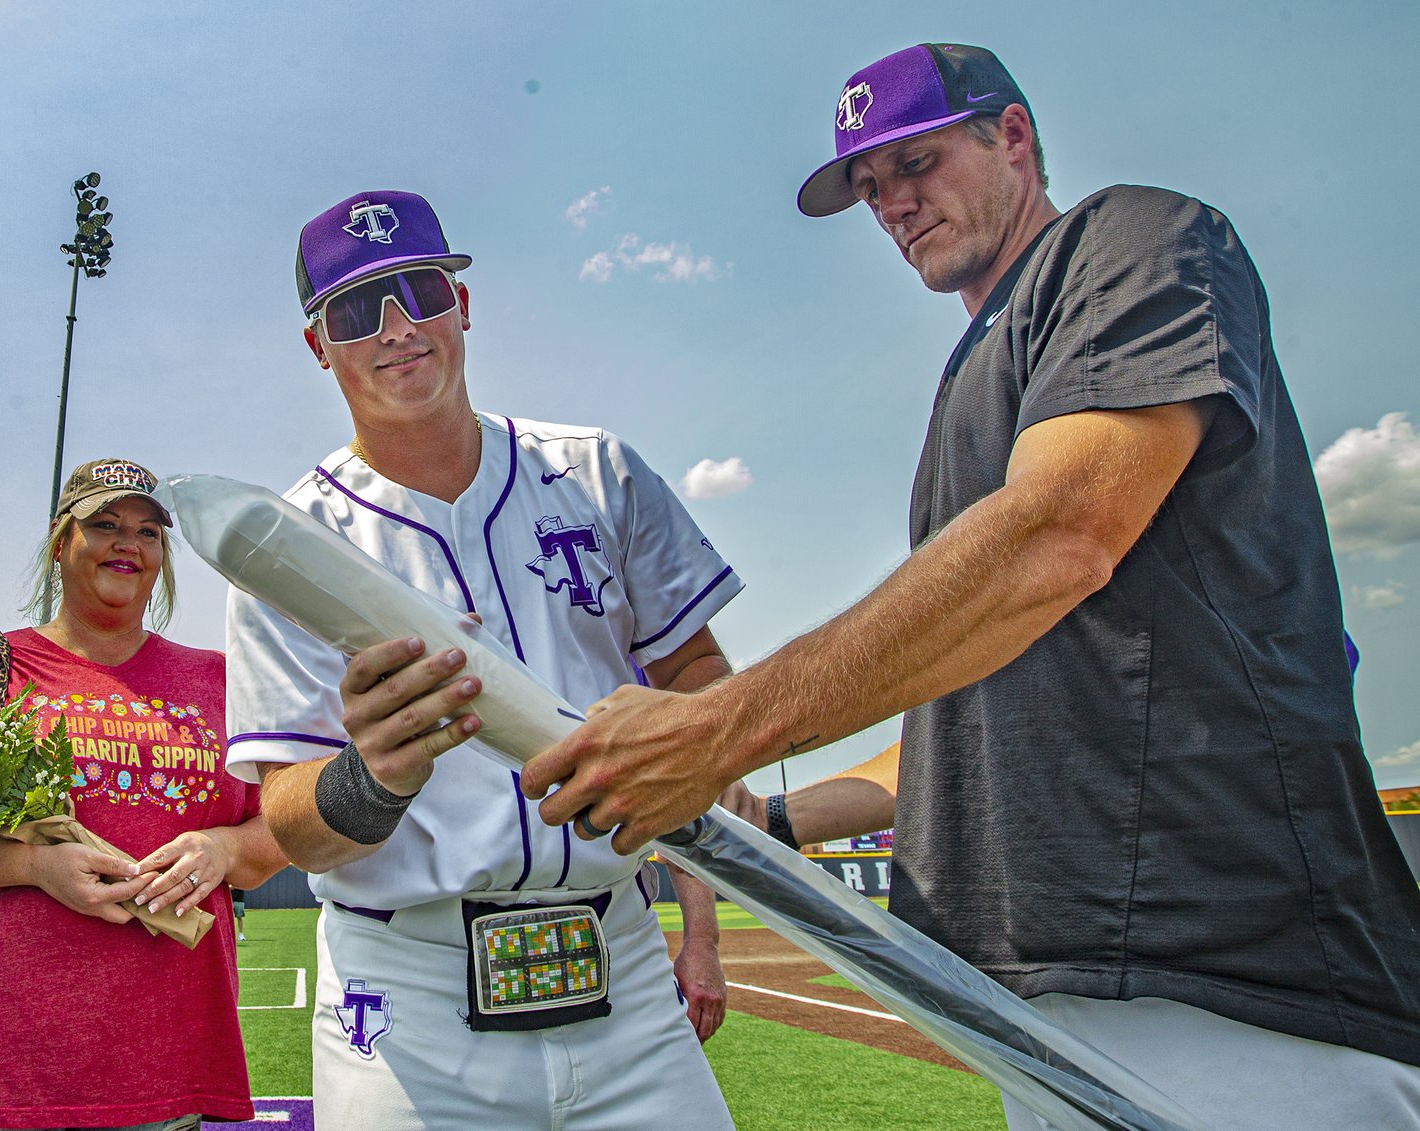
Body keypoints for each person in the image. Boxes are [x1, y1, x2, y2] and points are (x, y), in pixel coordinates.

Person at [520, 43, 1420, 1128]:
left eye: (915, 162)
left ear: (1013, 138)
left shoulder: (1129, 238)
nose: (891, 203)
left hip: (1225, 989)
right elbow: (979, 720)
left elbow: (1059, 533)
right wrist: (771, 818)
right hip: (1042, 998)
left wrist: (716, 729)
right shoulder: (976, 375)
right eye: (867, 186)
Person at [224, 190, 740, 1130]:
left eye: (419, 290)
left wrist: (698, 908)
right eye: (355, 310)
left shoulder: (598, 471)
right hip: (407, 991)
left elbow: (699, 679)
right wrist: (371, 775)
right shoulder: (288, 549)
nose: (395, 328)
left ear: (462, 301)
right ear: (318, 345)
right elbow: (292, 827)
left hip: (616, 955)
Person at [0, 456, 286, 1131]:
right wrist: (29, 864)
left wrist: (223, 846)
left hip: (161, 1066)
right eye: (105, 523)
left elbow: (279, 830)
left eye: (148, 532)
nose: (127, 543)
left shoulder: (219, 679)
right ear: (62, 544)